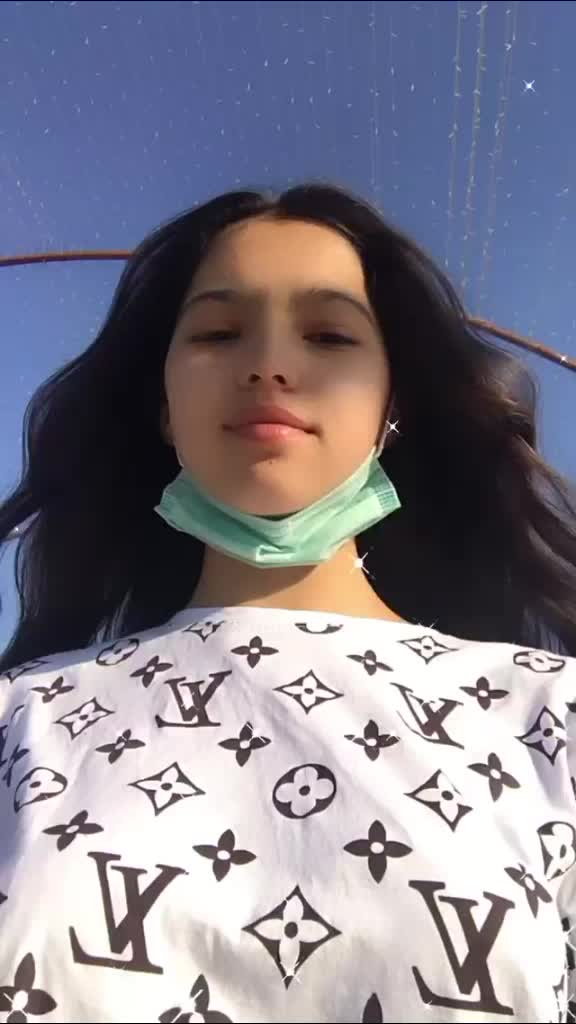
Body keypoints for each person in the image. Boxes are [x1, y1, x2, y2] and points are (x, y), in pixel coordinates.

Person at [0, 180, 575, 1024]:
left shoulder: (550, 714)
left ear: (392, 407)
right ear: (164, 406)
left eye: (329, 334)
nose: (268, 365)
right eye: (218, 332)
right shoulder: (21, 717)